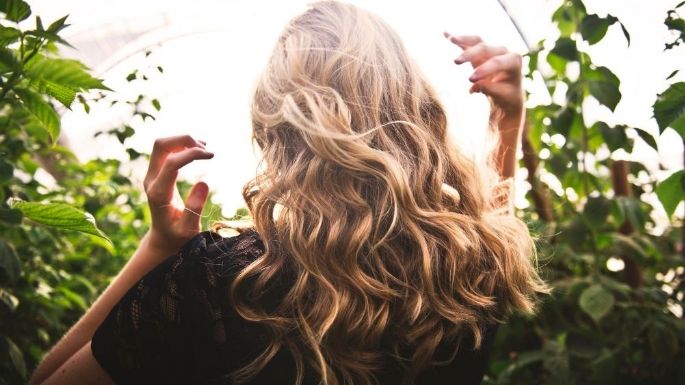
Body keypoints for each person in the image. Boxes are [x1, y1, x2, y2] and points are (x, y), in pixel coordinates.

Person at [29, 2, 547, 384]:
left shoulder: (221, 282)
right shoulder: (475, 267)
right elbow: (490, 220)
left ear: (276, 125)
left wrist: (159, 250)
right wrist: (507, 120)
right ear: (415, 106)